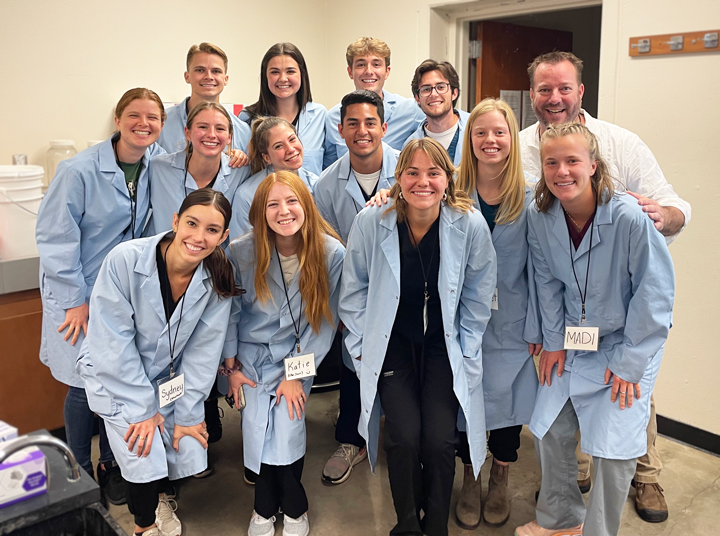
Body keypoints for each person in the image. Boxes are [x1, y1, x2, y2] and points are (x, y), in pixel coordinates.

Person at [519, 51, 690, 521]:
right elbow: (547, 282)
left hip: (625, 340)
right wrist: (552, 342)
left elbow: (655, 296)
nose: (562, 172)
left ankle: (604, 523)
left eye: (573, 162)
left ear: (594, 164)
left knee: (616, 446)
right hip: (573, 339)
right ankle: (560, 522)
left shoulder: (629, 214)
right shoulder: (541, 214)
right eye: (552, 163)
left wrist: (631, 362)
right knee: (551, 426)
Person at [340, 138, 496, 536]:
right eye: (412, 172)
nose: (422, 181)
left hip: (444, 348)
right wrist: (361, 349)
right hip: (392, 346)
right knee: (404, 438)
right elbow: (353, 290)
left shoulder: (470, 223)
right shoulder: (371, 221)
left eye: (433, 173)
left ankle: (436, 526)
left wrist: (469, 346)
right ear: (398, 176)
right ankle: (408, 526)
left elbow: (480, 294)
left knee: (441, 441)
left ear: (448, 179)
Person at [76, 189, 238, 536]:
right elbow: (112, 344)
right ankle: (144, 525)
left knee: (188, 440)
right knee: (143, 446)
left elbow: (203, 351)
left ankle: (161, 497)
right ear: (175, 221)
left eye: (212, 230)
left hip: (167, 377)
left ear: (224, 236)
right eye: (192, 223)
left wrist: (190, 414)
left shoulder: (217, 275)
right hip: (115, 376)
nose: (198, 237)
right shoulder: (125, 260)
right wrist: (144, 409)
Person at [35, 88, 167, 506]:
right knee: (81, 383)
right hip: (80, 292)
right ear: (117, 118)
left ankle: (111, 462)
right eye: (135, 115)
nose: (143, 124)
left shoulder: (154, 166)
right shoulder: (79, 171)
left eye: (153, 118)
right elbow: (56, 238)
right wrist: (75, 299)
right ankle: (79, 467)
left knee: (116, 378)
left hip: (120, 293)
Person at [223, 171, 344, 536]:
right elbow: (228, 313)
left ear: (305, 204)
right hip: (251, 358)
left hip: (298, 355)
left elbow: (324, 323)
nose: (284, 211)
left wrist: (295, 377)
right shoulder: (241, 251)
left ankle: (293, 507)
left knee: (287, 425)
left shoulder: (330, 252)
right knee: (257, 425)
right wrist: (231, 367)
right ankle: (264, 506)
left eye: (291, 201)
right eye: (272, 204)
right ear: (260, 212)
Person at [451, 98, 541, 529]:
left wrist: (540, 327)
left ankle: (500, 474)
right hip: (459, 318)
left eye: (499, 132)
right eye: (480, 132)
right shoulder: (451, 191)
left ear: (512, 139)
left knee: (506, 402)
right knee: (462, 400)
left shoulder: (531, 198)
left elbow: (542, 271)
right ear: (469, 139)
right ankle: (470, 472)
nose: (490, 140)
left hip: (512, 320)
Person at [314, 89, 399, 485]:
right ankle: (352, 439)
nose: (361, 131)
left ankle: (402, 438)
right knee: (354, 365)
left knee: (404, 365)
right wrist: (343, 309)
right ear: (340, 130)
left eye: (370, 123)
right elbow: (328, 250)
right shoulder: (328, 186)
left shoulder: (409, 167)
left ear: (383, 126)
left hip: (407, 288)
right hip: (356, 292)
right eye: (352, 123)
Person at [147, 101, 250, 236]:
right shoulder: (158, 168)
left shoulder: (241, 172)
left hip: (215, 255)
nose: (212, 135)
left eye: (220, 128)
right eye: (203, 127)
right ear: (187, 133)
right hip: (161, 254)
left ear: (229, 137)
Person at [323, 37, 424, 168]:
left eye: (376, 64)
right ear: (350, 72)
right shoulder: (334, 117)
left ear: (387, 71)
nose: (369, 71)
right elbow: (329, 168)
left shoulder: (410, 110)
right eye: (361, 64)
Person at [240, 43, 327, 175]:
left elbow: (330, 168)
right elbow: (241, 166)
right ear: (265, 77)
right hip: (266, 194)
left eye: (290, 71)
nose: (283, 78)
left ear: (301, 74)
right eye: (275, 72)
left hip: (312, 195)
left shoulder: (320, 115)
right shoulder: (247, 118)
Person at [229, 117, 318, 240]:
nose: (291, 149)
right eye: (278, 146)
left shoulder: (317, 184)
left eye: (292, 139)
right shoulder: (246, 195)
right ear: (267, 158)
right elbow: (241, 251)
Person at [157, 42, 251, 156]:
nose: (209, 77)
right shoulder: (161, 124)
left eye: (216, 71)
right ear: (187, 76)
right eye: (200, 70)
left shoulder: (243, 132)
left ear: (226, 79)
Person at [404, 59, 469, 166]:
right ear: (417, 98)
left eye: (441, 87)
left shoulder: (476, 130)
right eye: (426, 89)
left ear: (454, 93)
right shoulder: (410, 145)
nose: (434, 94)